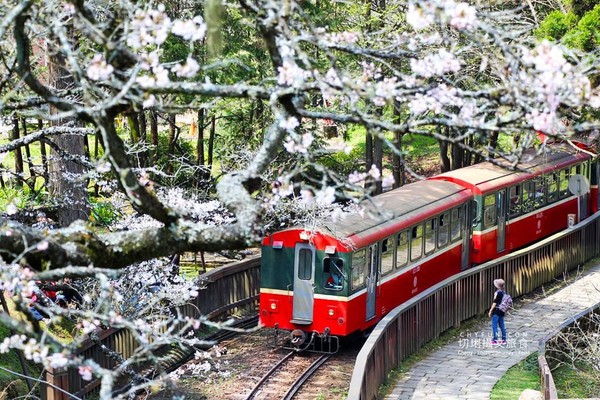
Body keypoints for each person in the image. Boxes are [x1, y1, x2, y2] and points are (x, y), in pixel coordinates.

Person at [488, 278, 507, 345]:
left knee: (494, 325)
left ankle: (495, 340)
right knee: (502, 325)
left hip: (496, 310)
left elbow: (495, 302)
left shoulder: (497, 293)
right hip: (502, 310)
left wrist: (490, 310)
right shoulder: (504, 292)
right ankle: (504, 340)